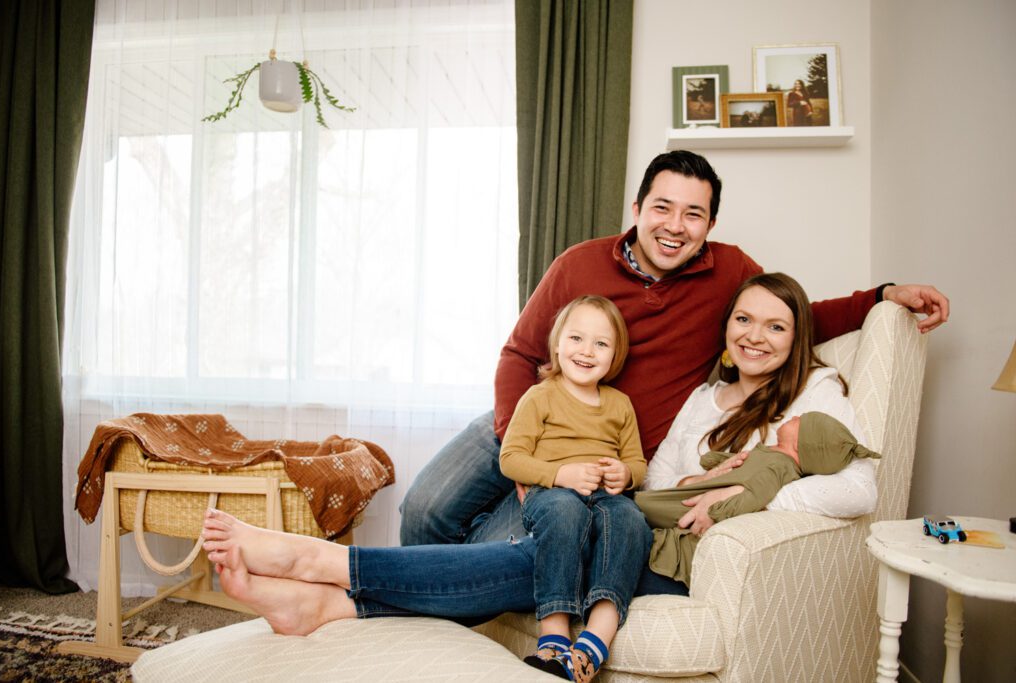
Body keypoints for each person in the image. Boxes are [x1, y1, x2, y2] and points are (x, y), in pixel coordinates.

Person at [200, 272, 877, 644]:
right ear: (726, 332)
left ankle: (322, 565)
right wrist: (684, 480)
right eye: (744, 321)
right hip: (642, 533)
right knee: (537, 556)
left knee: (534, 558)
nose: (757, 336)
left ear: (799, 335)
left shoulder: (819, 391)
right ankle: (330, 608)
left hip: (695, 560)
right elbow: (661, 477)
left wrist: (745, 499)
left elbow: (862, 488)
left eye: (777, 325)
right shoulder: (706, 398)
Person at [398, 149, 949, 549]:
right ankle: (413, 628)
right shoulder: (578, 263)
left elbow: (794, 318)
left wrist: (881, 295)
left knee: (493, 552)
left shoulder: (730, 271)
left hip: (602, 456)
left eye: (693, 215)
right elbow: (519, 355)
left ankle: (446, 625)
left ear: (710, 224)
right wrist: (517, 445)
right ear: (637, 207)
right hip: (526, 416)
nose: (674, 227)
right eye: (663, 208)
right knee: (424, 513)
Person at [499, 295, 650, 680]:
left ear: (615, 355)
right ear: (557, 344)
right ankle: (554, 637)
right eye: (576, 338)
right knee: (565, 511)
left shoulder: (620, 404)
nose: (586, 351)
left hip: (605, 497)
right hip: (553, 495)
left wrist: (625, 474)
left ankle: (595, 639)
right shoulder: (540, 395)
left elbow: (637, 463)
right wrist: (561, 475)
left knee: (631, 519)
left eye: (601, 344)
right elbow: (511, 458)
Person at [635, 411, 879, 588]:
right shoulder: (769, 455)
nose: (795, 417)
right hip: (688, 496)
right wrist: (718, 467)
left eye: (800, 421)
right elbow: (717, 465)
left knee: (635, 509)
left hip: (689, 513)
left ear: (801, 443)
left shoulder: (779, 466)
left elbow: (752, 494)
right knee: (629, 510)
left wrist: (717, 508)